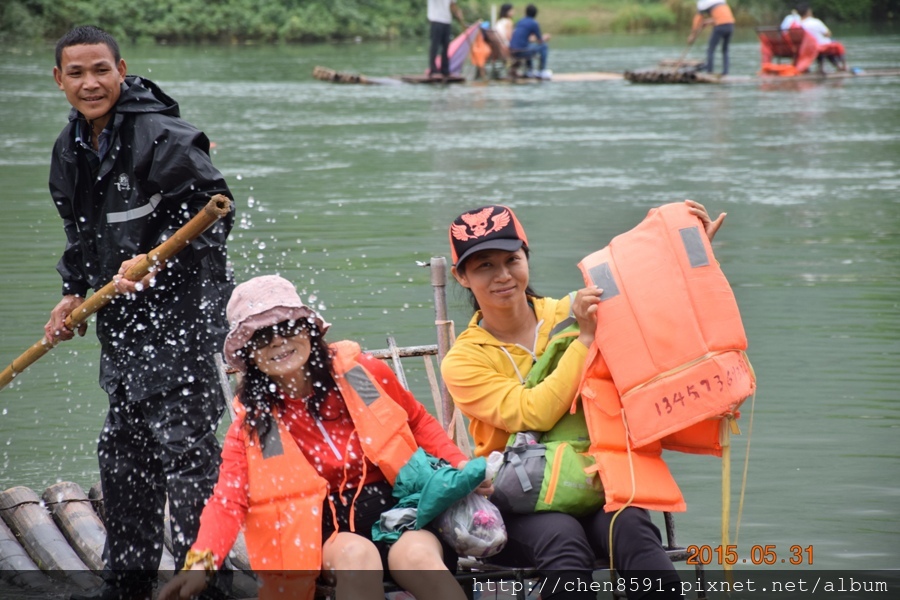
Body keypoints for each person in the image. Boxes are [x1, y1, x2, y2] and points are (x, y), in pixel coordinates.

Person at [441, 201, 726, 600]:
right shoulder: (464, 360)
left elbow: (643, 301)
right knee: (563, 541)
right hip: (522, 502)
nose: (503, 275)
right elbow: (532, 412)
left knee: (633, 531)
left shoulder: (569, 311)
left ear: (526, 256)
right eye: (484, 266)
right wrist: (586, 341)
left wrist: (687, 258)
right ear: (462, 277)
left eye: (511, 259)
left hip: (596, 480)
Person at [46, 25, 235, 600]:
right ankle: (126, 583)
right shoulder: (70, 148)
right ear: (60, 80)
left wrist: (157, 261)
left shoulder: (162, 135)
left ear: (121, 70)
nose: (90, 83)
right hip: (123, 328)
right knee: (124, 452)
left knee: (185, 452)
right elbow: (81, 234)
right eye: (76, 73)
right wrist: (74, 291)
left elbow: (217, 215)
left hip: (183, 321)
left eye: (100, 70)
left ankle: (207, 584)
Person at [159, 275, 479, 600]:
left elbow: (415, 420)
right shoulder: (259, 423)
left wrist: (461, 465)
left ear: (309, 330)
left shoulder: (357, 375)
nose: (278, 342)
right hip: (325, 535)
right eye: (262, 337)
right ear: (249, 353)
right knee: (357, 557)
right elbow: (229, 501)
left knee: (418, 557)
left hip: (401, 514)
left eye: (287, 328)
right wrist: (200, 564)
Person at [687, 0, 735, 76]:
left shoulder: (704, 5)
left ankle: (709, 71)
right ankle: (726, 72)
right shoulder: (721, 3)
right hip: (730, 26)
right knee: (725, 50)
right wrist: (708, 22)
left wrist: (692, 35)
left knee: (710, 50)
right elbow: (722, 18)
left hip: (720, 26)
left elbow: (697, 20)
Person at [508, 4, 552, 79]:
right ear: (535, 14)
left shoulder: (520, 21)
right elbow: (540, 41)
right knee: (544, 46)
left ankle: (530, 70)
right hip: (522, 51)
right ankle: (542, 71)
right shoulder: (534, 23)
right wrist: (545, 37)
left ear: (526, 12)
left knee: (529, 45)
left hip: (513, 50)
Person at [799, 3, 848, 71]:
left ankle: (822, 67)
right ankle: (843, 66)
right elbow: (828, 34)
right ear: (808, 12)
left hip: (804, 47)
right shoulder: (815, 21)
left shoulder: (798, 24)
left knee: (826, 44)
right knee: (833, 43)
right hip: (818, 46)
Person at [428, 0, 465, 79]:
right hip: (436, 19)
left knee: (446, 46)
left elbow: (453, 4)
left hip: (447, 21)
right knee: (435, 46)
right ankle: (433, 69)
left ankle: (445, 69)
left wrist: (457, 13)